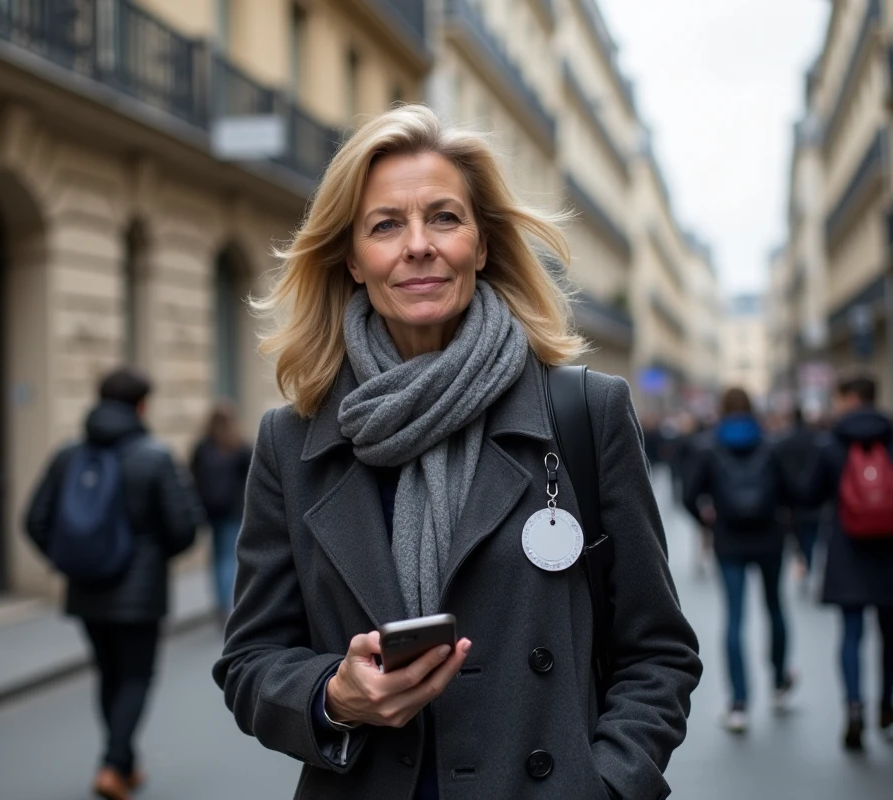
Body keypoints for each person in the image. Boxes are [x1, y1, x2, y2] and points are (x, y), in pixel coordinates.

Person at [213, 105, 701, 800]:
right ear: (352, 258)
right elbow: (250, 662)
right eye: (386, 225)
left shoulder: (584, 413)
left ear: (482, 244)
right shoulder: (293, 442)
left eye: (444, 218)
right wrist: (333, 696)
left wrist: (608, 785)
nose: (418, 245)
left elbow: (658, 651)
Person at [24, 368, 202, 800]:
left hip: (86, 588)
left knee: (108, 674)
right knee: (136, 676)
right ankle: (111, 764)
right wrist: (153, 558)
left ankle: (123, 763)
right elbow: (184, 528)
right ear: (142, 406)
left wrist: (69, 559)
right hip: (140, 591)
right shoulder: (154, 456)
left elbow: (34, 520)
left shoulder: (68, 455)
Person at [805, 374, 893, 751]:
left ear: (850, 399)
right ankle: (886, 706)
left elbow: (810, 494)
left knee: (851, 633)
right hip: (892, 550)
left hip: (847, 550)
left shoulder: (831, 444)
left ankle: (853, 708)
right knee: (889, 632)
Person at [684, 388, 795, 733]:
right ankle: (779, 682)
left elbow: (688, 495)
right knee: (775, 607)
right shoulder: (771, 443)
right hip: (769, 537)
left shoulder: (709, 446)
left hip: (729, 540)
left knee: (734, 618)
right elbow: (791, 493)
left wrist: (708, 523)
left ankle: (739, 704)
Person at [191, 402, 254, 618]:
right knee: (230, 557)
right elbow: (252, 481)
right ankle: (229, 604)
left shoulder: (202, 448)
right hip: (235, 512)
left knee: (218, 556)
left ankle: (220, 603)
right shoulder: (240, 447)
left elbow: (193, 479)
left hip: (211, 512)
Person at [775, 406, 827, 588]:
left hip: (792, 502)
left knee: (797, 539)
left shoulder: (784, 443)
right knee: (811, 537)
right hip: (814, 501)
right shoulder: (817, 441)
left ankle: (803, 566)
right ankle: (808, 567)